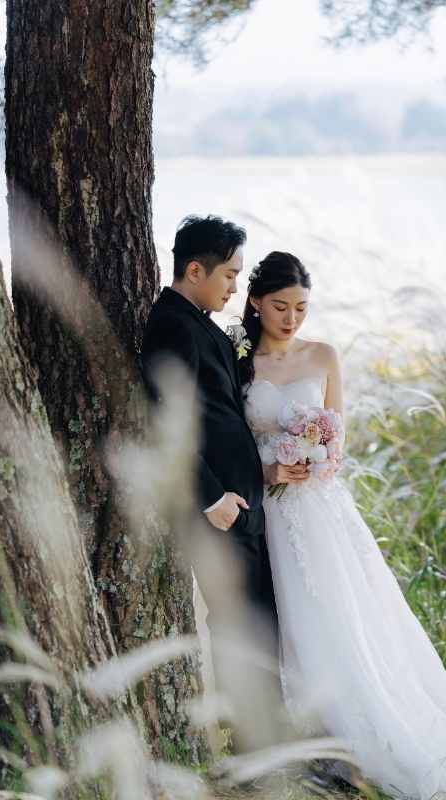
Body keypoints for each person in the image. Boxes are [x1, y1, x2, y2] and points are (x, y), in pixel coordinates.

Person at [237, 251, 446, 799]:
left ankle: (366, 740)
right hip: (267, 507)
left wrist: (314, 461)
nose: (291, 319)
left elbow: (339, 445)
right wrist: (271, 467)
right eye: (281, 307)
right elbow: (230, 439)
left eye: (302, 308)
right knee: (291, 621)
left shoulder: (324, 355)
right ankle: (304, 738)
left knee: (343, 617)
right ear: (256, 302)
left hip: (321, 510)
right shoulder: (239, 361)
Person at [141, 215, 292, 753]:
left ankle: (263, 734)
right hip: (219, 504)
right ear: (195, 269)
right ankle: (258, 744)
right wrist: (209, 498)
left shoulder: (197, 320)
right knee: (240, 620)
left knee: (257, 615)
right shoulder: (172, 324)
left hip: (240, 496)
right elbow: (163, 415)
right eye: (229, 275)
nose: (234, 287)